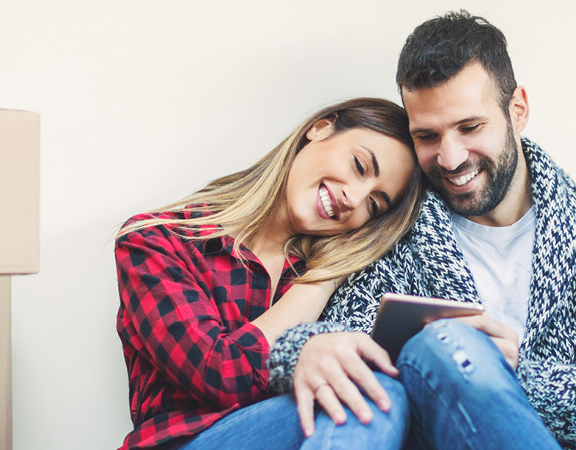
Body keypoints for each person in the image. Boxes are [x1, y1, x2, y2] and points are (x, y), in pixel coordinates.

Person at [267, 11, 576, 450]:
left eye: (470, 127)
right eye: (427, 136)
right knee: (445, 342)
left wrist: (510, 371)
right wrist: (305, 349)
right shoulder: (387, 231)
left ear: (517, 112)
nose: (451, 158)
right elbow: (340, 345)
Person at [114, 98, 426, 450]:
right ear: (320, 128)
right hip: (184, 441)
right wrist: (323, 281)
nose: (354, 199)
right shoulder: (157, 240)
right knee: (364, 395)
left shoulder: (347, 279)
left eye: (374, 204)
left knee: (373, 391)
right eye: (358, 165)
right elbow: (219, 375)